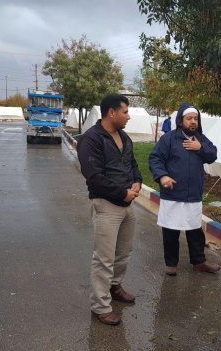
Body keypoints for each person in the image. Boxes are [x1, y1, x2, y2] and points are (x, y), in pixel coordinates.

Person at [77, 94, 142, 326]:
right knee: (104, 259)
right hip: (106, 206)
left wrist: (137, 182)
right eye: (125, 111)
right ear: (111, 113)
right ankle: (101, 306)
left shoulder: (123, 137)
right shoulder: (91, 139)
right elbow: (94, 177)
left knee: (123, 253)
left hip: (127, 206)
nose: (128, 116)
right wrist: (122, 193)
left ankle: (115, 287)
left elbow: (133, 164)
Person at [149, 102, 219, 276]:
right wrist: (162, 176)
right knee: (171, 230)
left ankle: (199, 262)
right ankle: (171, 264)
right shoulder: (169, 139)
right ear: (181, 121)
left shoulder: (201, 139)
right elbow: (155, 158)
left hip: (193, 194)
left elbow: (212, 155)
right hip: (173, 193)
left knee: (195, 230)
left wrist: (200, 148)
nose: (193, 122)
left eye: (195, 119)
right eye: (189, 119)